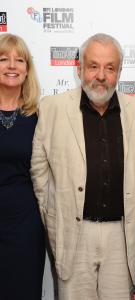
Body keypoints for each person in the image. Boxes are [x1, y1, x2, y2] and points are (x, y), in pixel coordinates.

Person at [30, 33, 135, 300]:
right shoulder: (52, 108)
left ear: (119, 71)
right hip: (74, 234)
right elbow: (39, 169)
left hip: (122, 236)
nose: (101, 76)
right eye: (93, 66)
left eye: (110, 67)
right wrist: (52, 214)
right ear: (79, 67)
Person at [0, 33, 45, 299]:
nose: (12, 66)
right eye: (3, 59)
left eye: (19, 60)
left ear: (27, 70)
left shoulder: (39, 117)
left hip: (25, 226)